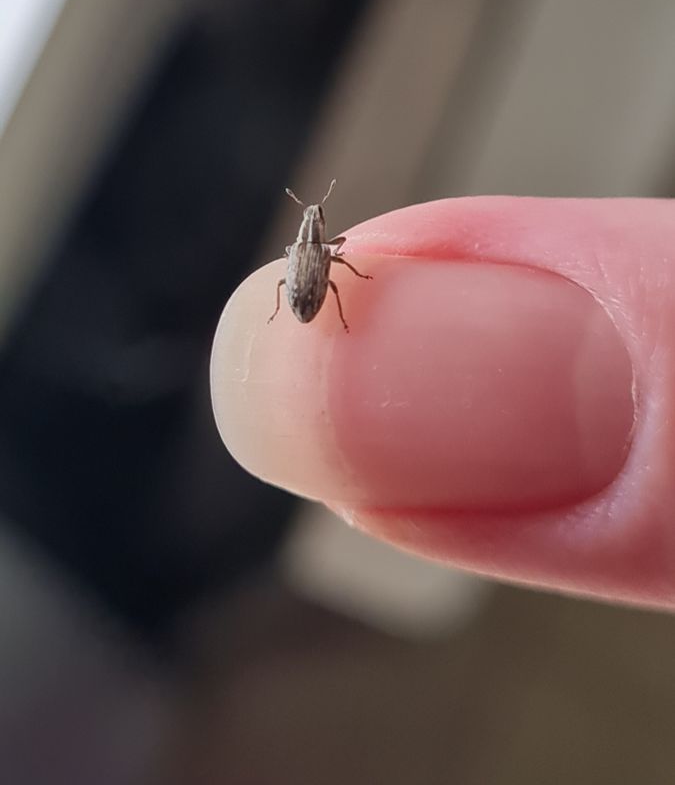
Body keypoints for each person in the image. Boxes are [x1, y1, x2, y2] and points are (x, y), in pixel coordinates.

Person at [210, 196, 675, 610]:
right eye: (314, 217)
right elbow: (329, 276)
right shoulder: (318, 254)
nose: (315, 222)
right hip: (306, 299)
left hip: (303, 298)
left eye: (316, 217)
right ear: (313, 230)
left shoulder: (307, 255)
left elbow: (318, 279)